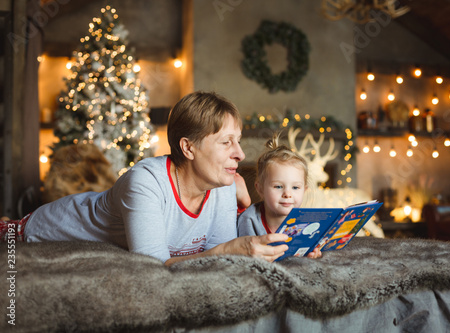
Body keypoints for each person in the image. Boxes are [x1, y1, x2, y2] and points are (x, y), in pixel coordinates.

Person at [0, 91, 288, 265]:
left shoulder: (222, 186)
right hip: (45, 230)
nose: (239, 154)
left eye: (238, 141)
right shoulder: (145, 182)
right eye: (226, 142)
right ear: (188, 147)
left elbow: (218, 258)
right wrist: (226, 250)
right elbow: (152, 266)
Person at [237, 133, 321, 258]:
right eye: (278, 186)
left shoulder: (307, 221)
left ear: (304, 190)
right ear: (260, 189)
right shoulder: (249, 220)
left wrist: (313, 254)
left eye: (295, 187)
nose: (287, 194)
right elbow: (245, 255)